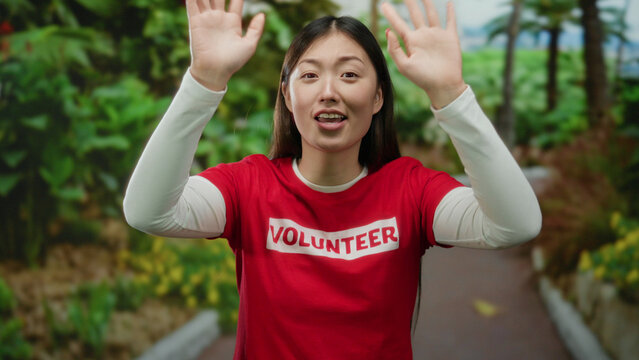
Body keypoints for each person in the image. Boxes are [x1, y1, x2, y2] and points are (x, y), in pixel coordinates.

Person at [123, 0, 542, 358]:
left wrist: (451, 94)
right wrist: (204, 82)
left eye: (350, 74)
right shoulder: (249, 187)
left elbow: (514, 224)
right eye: (309, 75)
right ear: (288, 96)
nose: (329, 91)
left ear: (378, 97)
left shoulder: (410, 190)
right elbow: (149, 212)